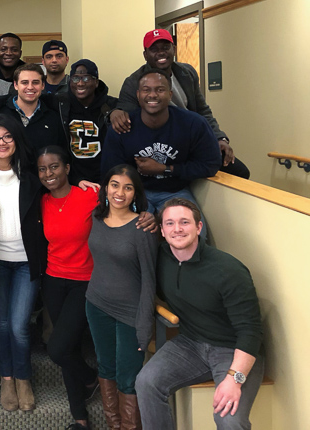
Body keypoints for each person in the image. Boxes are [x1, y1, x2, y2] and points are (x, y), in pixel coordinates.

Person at [136, 198, 264, 430]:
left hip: (232, 350)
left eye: (184, 222)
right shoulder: (161, 257)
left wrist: (235, 378)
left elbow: (251, 331)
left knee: (229, 419)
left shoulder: (228, 270)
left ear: (198, 227)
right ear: (162, 231)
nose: (177, 229)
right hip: (190, 343)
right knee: (146, 382)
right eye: (170, 223)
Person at [110, 29, 249, 179]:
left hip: (192, 139)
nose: (161, 53)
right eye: (154, 49)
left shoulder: (187, 73)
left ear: (174, 49)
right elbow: (125, 115)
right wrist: (113, 112)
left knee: (240, 172)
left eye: (165, 47)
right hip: (164, 145)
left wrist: (219, 138)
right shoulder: (134, 82)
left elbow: (202, 110)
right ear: (145, 55)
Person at [101, 70, 221, 234]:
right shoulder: (122, 127)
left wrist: (165, 168)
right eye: (146, 90)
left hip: (176, 190)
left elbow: (211, 164)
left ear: (170, 94)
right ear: (138, 95)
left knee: (196, 234)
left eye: (160, 89)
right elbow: (111, 170)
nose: (153, 95)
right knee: (130, 235)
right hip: (137, 191)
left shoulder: (193, 123)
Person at [0, 114, 41, 412]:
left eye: (7, 137)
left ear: (17, 140)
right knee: (1, 325)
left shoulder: (32, 173)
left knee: (18, 326)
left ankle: (24, 378)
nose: (1, 143)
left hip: (27, 260)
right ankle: (6, 378)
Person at [86, 164, 157, 430]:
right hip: (96, 305)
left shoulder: (143, 228)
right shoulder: (96, 217)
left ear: (135, 193)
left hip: (130, 313)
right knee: (106, 369)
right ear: (106, 188)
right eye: (114, 185)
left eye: (128, 188)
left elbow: (150, 280)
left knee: (128, 378)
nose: (120, 192)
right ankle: (113, 426)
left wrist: (144, 325)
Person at [35, 145, 99, 428]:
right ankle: (80, 420)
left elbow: (127, 205)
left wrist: (148, 217)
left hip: (85, 281)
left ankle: (91, 378)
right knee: (68, 347)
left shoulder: (91, 195)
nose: (49, 173)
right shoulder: (41, 201)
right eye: (42, 169)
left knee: (58, 349)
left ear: (68, 168)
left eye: (54, 167)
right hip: (53, 280)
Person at [49, 59, 118, 184]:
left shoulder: (111, 106)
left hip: (105, 180)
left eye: (86, 78)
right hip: (72, 180)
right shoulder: (60, 103)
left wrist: (120, 110)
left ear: (96, 82)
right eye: (75, 78)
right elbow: (32, 99)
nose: (80, 83)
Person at [0, 64, 66, 155]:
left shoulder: (53, 119)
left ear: (43, 85)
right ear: (16, 85)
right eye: (24, 82)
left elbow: (60, 154)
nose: (30, 87)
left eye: (35, 82)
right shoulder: (1, 115)